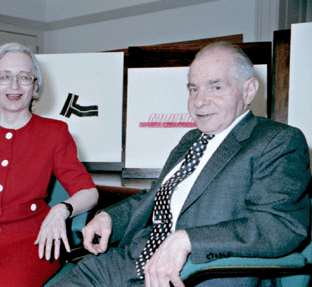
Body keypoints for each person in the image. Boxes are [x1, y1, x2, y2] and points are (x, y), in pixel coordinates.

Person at [52, 42, 311, 287]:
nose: (199, 101)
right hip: (129, 264)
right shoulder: (190, 140)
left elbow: (279, 226)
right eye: (193, 88)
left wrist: (188, 240)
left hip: (197, 275)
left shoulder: (277, 140)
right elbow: (154, 196)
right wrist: (109, 217)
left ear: (248, 91)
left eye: (215, 87)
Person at [0, 43, 99, 286]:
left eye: (24, 77)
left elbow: (89, 193)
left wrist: (60, 210)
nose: (14, 86)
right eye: (4, 76)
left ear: (34, 86)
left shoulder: (54, 133)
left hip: (33, 241)